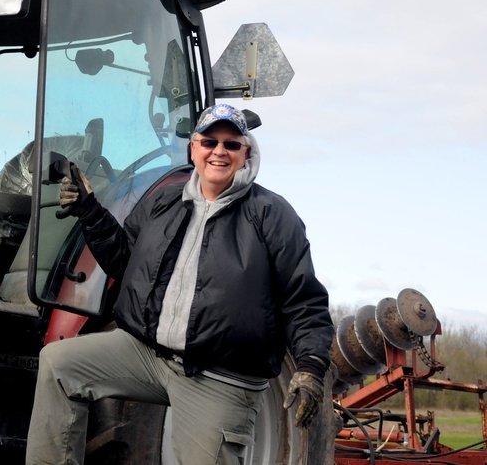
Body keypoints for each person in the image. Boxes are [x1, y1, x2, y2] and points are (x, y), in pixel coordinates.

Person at [25, 103, 334, 465]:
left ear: (245, 153)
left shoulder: (271, 214)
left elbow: (303, 300)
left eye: (231, 144)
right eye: (209, 142)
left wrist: (311, 366)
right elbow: (126, 262)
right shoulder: (166, 201)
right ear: (194, 148)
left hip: (220, 376)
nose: (219, 151)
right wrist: (89, 210)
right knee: (59, 365)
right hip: (148, 355)